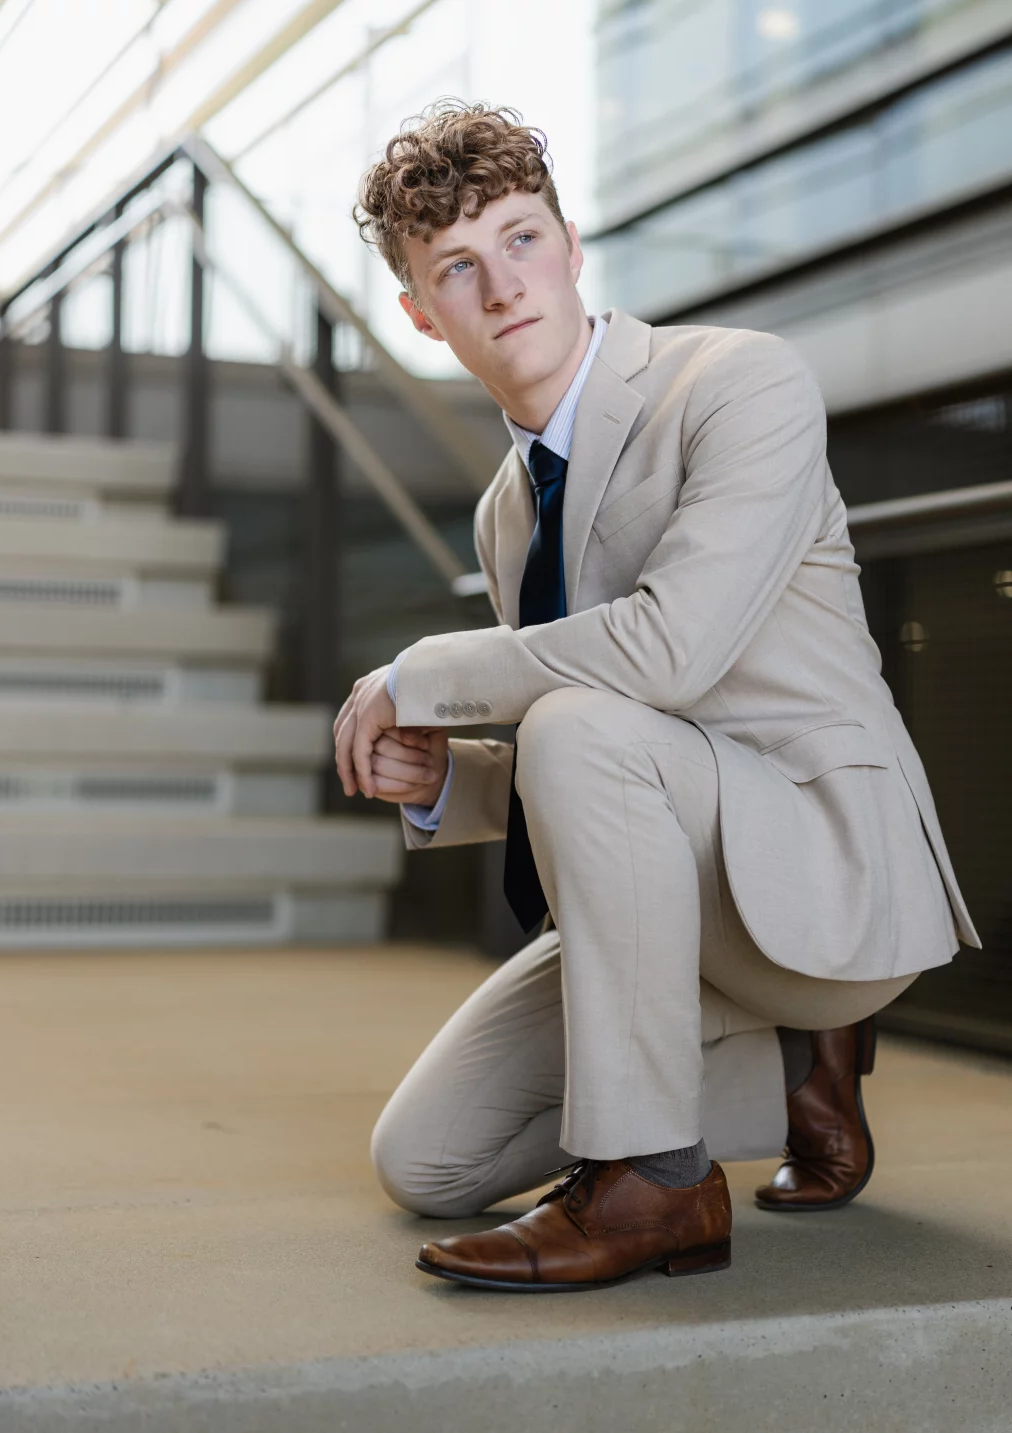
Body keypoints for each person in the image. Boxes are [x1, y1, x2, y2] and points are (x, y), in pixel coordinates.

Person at [333, 101, 979, 1292]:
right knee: (424, 1158)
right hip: (669, 887)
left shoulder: (741, 382)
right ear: (422, 314)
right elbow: (593, 750)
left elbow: (666, 657)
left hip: (824, 861)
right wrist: (451, 779)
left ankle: (660, 1175)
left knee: (581, 722)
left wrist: (417, 675)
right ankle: (792, 1064)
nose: (503, 285)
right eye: (457, 269)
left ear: (572, 247)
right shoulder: (504, 509)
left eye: (523, 240)